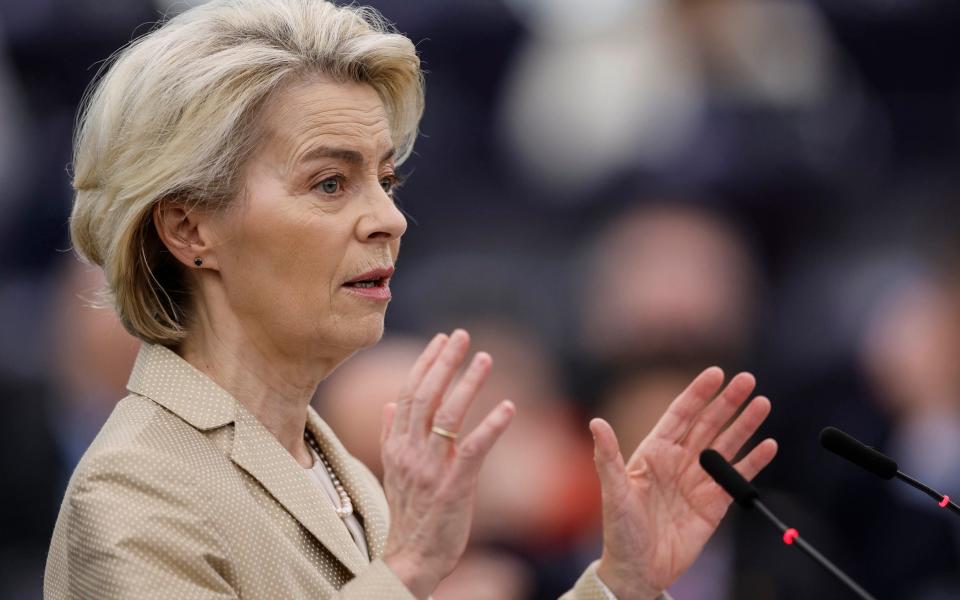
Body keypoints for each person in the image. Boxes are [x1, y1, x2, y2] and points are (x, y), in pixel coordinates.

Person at [44, 1, 777, 598]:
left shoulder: (341, 473)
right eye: (330, 183)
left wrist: (620, 583)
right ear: (188, 227)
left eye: (384, 182)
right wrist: (408, 570)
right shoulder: (133, 492)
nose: (389, 219)